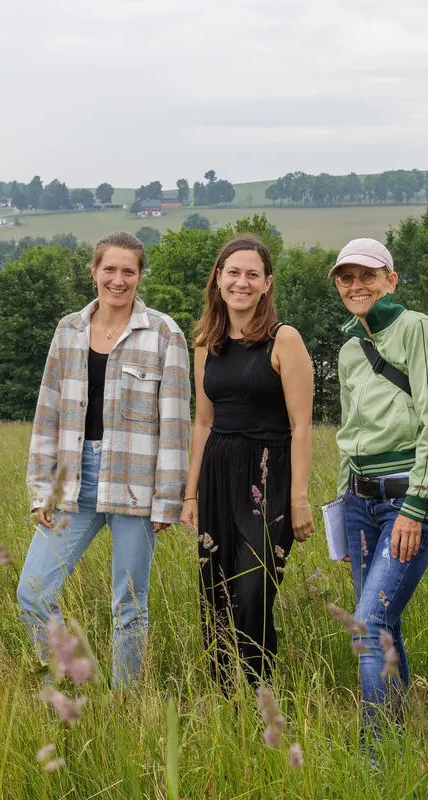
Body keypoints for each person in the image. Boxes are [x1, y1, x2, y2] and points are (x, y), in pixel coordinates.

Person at [17, 231, 191, 689]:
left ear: (139, 275)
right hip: (73, 483)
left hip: (136, 483)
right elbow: (47, 412)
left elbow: (174, 422)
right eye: (109, 269)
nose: (118, 279)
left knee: (129, 604)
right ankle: (64, 683)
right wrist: (42, 487)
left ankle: (124, 702)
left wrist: (166, 500)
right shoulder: (68, 330)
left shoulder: (163, 334)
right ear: (93, 271)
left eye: (128, 271)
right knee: (33, 591)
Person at [181, 234, 314, 689]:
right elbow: (202, 422)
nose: (242, 282)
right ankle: (225, 700)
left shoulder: (285, 340)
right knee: (214, 592)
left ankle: (261, 695)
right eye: (233, 272)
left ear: (267, 283)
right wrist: (190, 493)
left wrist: (299, 498)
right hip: (218, 472)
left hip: (268, 476)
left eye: (252, 274)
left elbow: (301, 426)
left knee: (254, 594)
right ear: (218, 279)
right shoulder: (206, 342)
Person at [331, 238, 428, 746]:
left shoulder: (416, 328)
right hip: (358, 503)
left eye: (367, 275)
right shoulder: (350, 349)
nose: (355, 285)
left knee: (368, 624)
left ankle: (375, 752)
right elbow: (350, 432)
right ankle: (403, 739)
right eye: (346, 278)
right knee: (383, 625)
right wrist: (338, 512)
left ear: (390, 280)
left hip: (404, 500)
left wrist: (416, 504)